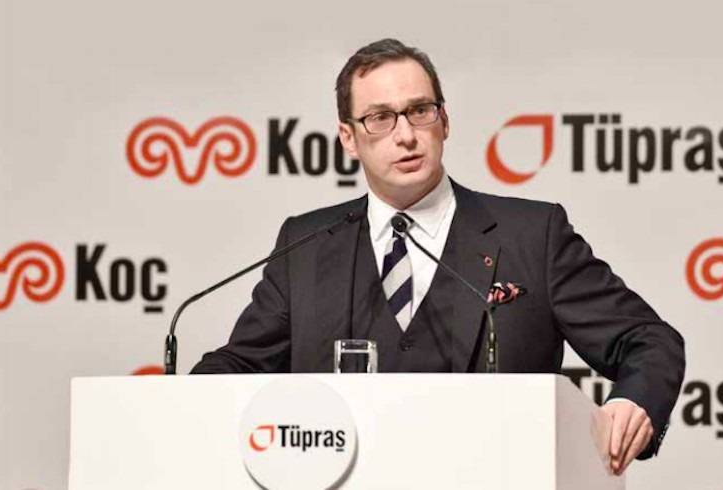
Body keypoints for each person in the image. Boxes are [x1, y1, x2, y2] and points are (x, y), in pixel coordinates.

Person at [192, 38, 685, 475]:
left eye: (419, 111)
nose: (405, 135)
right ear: (348, 138)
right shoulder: (306, 244)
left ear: (444, 121)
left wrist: (635, 399)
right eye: (379, 118)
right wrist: (173, 402)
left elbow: (650, 340)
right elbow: (241, 366)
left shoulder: (532, 235)